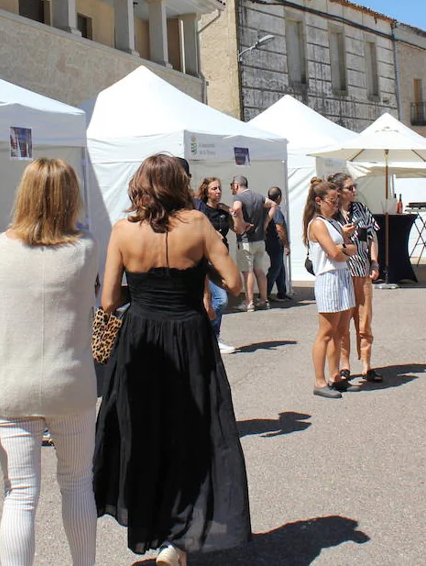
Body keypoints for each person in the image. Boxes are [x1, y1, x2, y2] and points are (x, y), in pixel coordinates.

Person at [0, 160, 99, 566]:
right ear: (70, 196)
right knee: (77, 485)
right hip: (71, 383)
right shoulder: (86, 249)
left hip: (10, 384)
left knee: (20, 495)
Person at [94, 154, 250, 565]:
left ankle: (158, 529)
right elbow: (233, 283)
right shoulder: (197, 225)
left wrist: (141, 293)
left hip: (142, 337)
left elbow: (109, 300)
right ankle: (178, 538)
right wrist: (199, 272)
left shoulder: (123, 231)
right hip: (188, 334)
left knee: (145, 433)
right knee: (191, 431)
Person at [303, 177, 357, 399]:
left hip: (342, 275)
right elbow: (335, 253)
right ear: (319, 200)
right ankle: (319, 380)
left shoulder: (332, 222)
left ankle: (335, 376)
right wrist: (346, 248)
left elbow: (345, 248)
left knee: (340, 331)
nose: (336, 205)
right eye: (332, 201)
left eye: (337, 201)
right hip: (329, 277)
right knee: (326, 332)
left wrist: (344, 247)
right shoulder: (317, 224)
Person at [335, 174, 382, 386]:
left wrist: (374, 262)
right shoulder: (332, 214)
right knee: (343, 322)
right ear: (339, 191)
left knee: (364, 320)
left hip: (362, 272)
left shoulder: (361, 209)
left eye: (355, 186)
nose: (354, 190)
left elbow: (372, 237)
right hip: (342, 273)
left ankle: (366, 364)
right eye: (350, 187)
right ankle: (344, 365)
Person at [195, 176, 237, 355]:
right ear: (206, 191)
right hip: (208, 259)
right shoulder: (200, 210)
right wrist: (212, 234)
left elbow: (239, 229)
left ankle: (210, 337)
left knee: (217, 299)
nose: (218, 192)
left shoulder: (223, 211)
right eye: (214, 189)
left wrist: (234, 213)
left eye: (219, 188)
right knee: (220, 299)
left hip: (222, 259)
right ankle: (212, 337)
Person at [230, 175, 272, 311]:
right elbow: (273, 205)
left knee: (248, 273)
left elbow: (236, 208)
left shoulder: (239, 198)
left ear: (236, 185)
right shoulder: (258, 196)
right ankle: (264, 300)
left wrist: (241, 222)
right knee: (259, 271)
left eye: (232, 185)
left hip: (246, 241)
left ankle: (249, 302)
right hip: (260, 240)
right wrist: (266, 223)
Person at [264, 186, 291, 302]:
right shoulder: (277, 210)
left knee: (280, 267)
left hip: (269, 241)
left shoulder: (267, 208)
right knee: (276, 268)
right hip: (275, 242)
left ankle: (281, 292)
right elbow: (279, 228)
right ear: (279, 197)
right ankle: (264, 293)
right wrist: (285, 245)